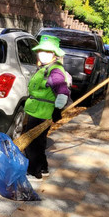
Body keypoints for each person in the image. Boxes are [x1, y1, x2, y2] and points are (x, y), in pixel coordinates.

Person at [23, 35, 70, 180]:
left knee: (32, 143)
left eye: (48, 52)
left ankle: (34, 172)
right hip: (35, 110)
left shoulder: (55, 71)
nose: (43, 54)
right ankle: (43, 169)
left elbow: (63, 91)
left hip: (41, 113)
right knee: (39, 142)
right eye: (41, 51)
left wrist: (57, 110)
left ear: (54, 54)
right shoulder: (45, 68)